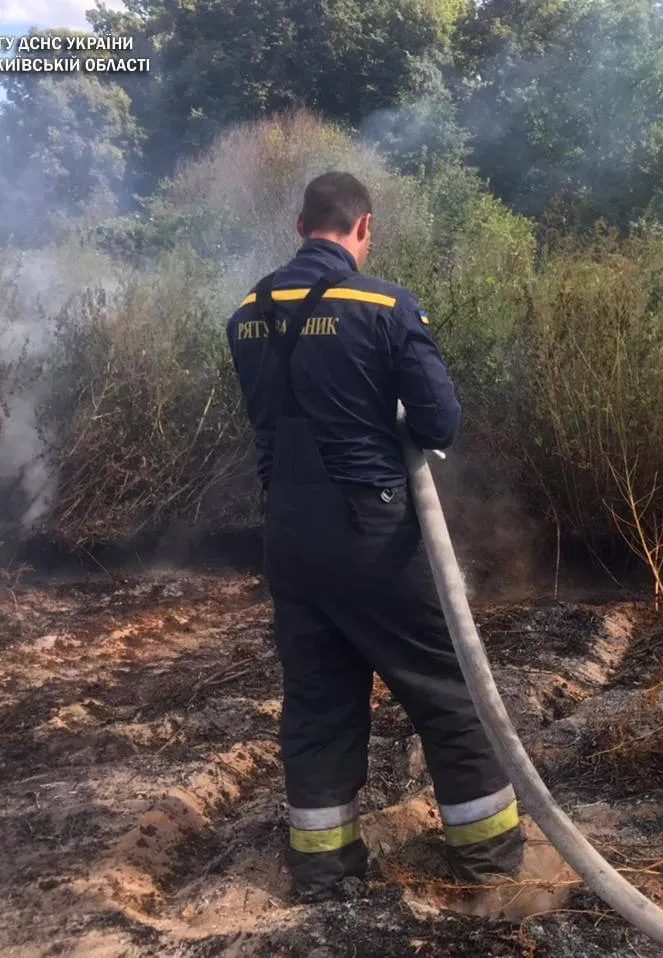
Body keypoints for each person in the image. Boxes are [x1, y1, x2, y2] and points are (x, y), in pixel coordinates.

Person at [225, 172, 526, 902]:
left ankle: (325, 868)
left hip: (289, 534)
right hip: (373, 530)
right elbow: (439, 423)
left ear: (300, 226)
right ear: (364, 228)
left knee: (320, 699)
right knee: (446, 686)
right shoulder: (384, 305)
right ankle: (488, 862)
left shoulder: (246, 313)